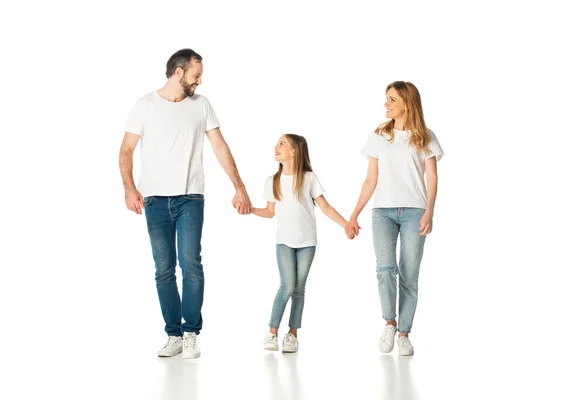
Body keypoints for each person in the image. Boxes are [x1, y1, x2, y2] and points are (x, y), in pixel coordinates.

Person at [118, 48, 252, 359]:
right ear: (178, 73)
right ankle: (173, 334)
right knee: (164, 269)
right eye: (196, 75)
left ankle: (191, 332)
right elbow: (126, 150)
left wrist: (239, 186)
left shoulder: (201, 105)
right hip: (153, 200)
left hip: (191, 197)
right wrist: (130, 188)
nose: (200, 81)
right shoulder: (144, 106)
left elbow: (220, 146)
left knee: (191, 263)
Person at [345, 81, 444, 355]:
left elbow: (432, 178)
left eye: (391, 99)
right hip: (383, 213)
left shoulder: (425, 136)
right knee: (385, 269)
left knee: (409, 275)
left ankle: (404, 334)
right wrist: (353, 215)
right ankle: (389, 322)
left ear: (407, 103)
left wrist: (429, 212)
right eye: (386, 99)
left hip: (415, 212)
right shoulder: (379, 137)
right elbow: (370, 180)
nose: (386, 104)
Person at [247, 134, 350, 353]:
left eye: (281, 143)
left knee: (299, 289)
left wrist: (346, 225)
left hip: (307, 243)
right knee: (287, 285)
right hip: (284, 242)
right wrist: (251, 209)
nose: (276, 146)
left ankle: (292, 334)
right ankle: (272, 333)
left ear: (294, 151)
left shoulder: (309, 178)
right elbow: (269, 211)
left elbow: (325, 207)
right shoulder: (272, 181)